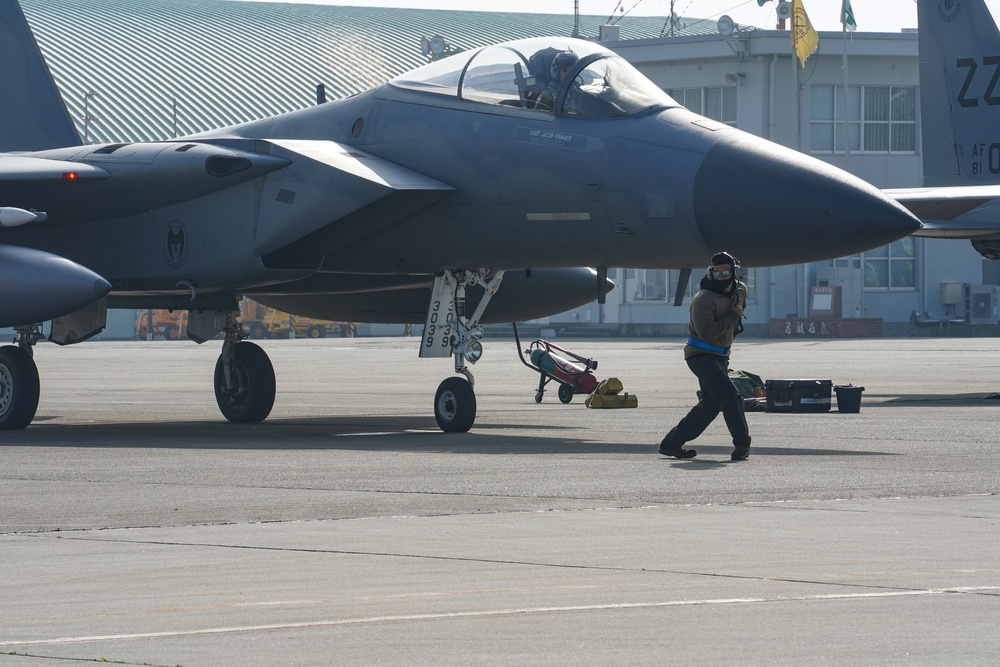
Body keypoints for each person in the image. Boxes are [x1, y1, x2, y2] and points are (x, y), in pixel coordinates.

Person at [659, 251, 752, 461]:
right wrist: (732, 316)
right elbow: (708, 333)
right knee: (731, 396)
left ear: (734, 273)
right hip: (700, 355)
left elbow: (737, 316)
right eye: (715, 273)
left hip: (721, 355)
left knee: (712, 404)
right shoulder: (703, 299)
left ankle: (672, 444)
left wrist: (732, 321)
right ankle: (742, 445)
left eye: (725, 273)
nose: (720, 278)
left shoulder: (740, 291)